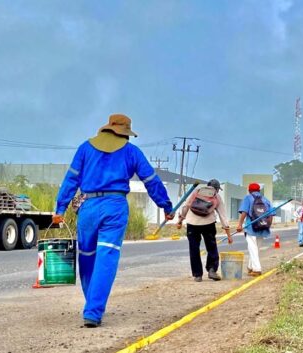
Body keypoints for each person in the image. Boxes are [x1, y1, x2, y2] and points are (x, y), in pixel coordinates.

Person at [53, 114, 174, 328]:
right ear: (125, 133)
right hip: (115, 206)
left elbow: (71, 179)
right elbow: (151, 180)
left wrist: (60, 208)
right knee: (106, 256)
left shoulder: (85, 148)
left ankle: (92, 305)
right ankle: (93, 310)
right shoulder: (131, 151)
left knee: (88, 257)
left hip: (88, 206)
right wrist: (166, 205)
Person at [177, 179, 232, 282]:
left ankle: (197, 275)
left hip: (192, 224)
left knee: (194, 249)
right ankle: (212, 270)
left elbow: (186, 206)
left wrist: (180, 220)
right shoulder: (216, 196)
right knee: (211, 247)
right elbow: (223, 216)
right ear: (216, 188)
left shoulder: (197, 191)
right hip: (208, 224)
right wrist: (228, 234)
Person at [236, 182, 273, 277]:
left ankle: (257, 269)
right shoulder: (265, 200)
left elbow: (244, 212)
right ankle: (250, 267)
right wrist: (268, 225)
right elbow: (271, 215)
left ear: (249, 190)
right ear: (259, 190)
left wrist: (240, 224)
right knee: (256, 248)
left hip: (251, 226)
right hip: (263, 226)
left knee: (252, 248)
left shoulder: (248, 198)